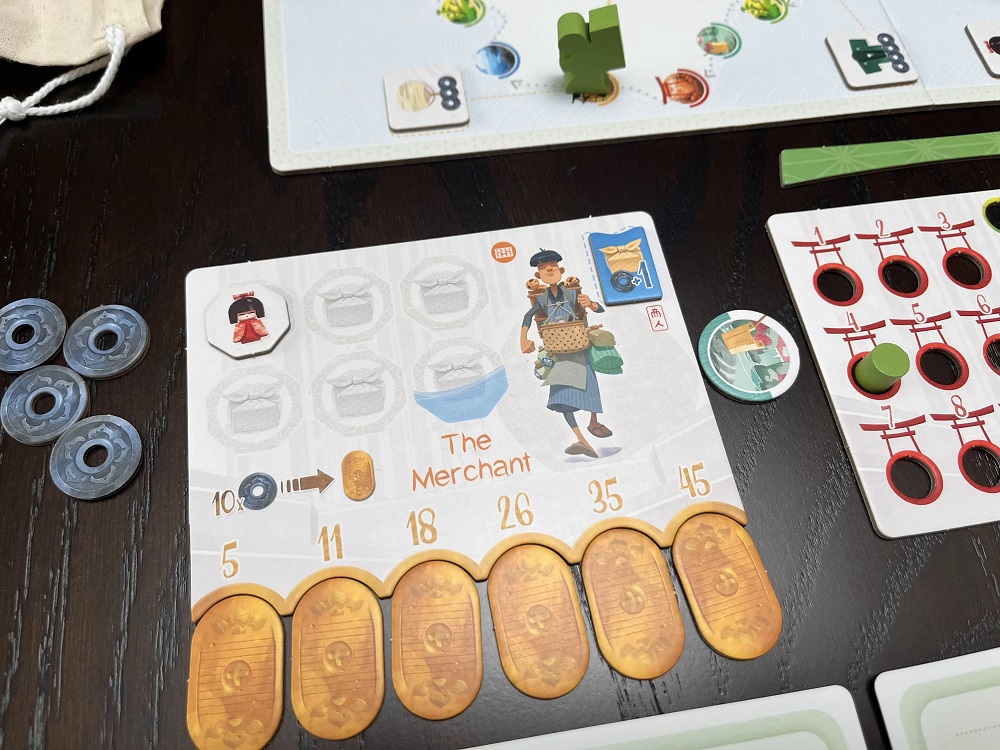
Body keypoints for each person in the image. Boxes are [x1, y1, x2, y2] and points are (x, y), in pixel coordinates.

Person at [520, 249, 612, 459]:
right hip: (559, 351)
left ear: (560, 270)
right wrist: (523, 338)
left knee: (589, 386)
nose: (548, 269)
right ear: (538, 275)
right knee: (563, 396)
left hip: (579, 345)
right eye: (543, 267)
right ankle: (581, 439)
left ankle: (593, 421)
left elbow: (599, 309)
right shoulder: (543, 298)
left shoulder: (571, 293)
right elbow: (528, 316)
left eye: (552, 264)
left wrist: (591, 304)